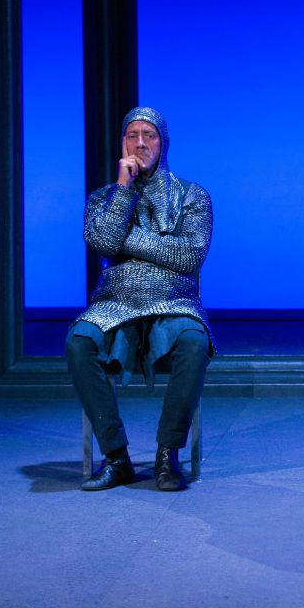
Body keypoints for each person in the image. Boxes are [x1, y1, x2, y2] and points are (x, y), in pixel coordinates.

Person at [66, 106, 214, 492]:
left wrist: (126, 240)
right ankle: (116, 457)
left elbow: (189, 256)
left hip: (174, 301)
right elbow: (102, 242)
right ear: (122, 143)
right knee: (79, 342)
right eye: (132, 135)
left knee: (194, 341)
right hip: (114, 302)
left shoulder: (192, 196)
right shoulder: (103, 198)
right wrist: (123, 190)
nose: (140, 143)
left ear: (163, 143)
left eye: (149, 135)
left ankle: (168, 456)